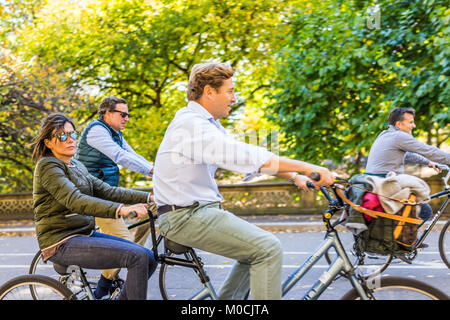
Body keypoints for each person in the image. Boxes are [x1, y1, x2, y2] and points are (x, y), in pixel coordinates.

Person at [153, 62, 335, 300]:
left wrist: (293, 175)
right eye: (230, 91)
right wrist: (310, 167)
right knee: (267, 249)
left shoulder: (206, 124)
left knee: (255, 252)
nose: (234, 98)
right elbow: (243, 156)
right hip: (186, 217)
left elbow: (245, 157)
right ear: (209, 91)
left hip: (196, 213)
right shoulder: (191, 125)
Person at [31, 113, 157, 300]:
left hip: (83, 234)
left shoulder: (76, 165)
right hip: (61, 242)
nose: (70, 140)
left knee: (148, 257)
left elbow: (108, 191)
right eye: (62, 136)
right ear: (48, 142)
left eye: (73, 134)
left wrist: (151, 197)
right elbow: (76, 200)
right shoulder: (48, 167)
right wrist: (120, 209)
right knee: (136, 257)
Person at [74, 96, 154, 298]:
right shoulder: (97, 130)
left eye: (128, 114)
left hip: (108, 192)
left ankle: (113, 275)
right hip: (93, 196)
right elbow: (120, 156)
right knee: (125, 247)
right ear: (107, 114)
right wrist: (152, 170)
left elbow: (132, 154)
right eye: (123, 114)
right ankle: (102, 289)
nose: (127, 118)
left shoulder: (115, 133)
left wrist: (155, 170)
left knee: (150, 214)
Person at [365, 107, 450, 222]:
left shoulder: (386, 134)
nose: (413, 125)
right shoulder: (399, 136)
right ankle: (407, 239)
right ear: (399, 124)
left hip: (375, 183)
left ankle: (401, 238)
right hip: (385, 185)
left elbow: (407, 154)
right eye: (410, 122)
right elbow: (428, 150)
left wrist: (428, 162)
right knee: (425, 211)